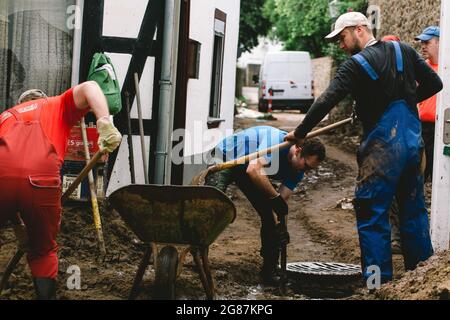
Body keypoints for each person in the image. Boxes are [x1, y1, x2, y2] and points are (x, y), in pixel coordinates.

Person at [285, 12, 442, 284]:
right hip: (413, 147)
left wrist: (300, 133)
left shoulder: (355, 65)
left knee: (372, 214)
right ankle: (420, 283)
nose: (341, 46)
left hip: (382, 152)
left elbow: (326, 101)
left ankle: (377, 284)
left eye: (342, 38)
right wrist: (406, 99)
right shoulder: (403, 49)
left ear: (359, 29)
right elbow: (435, 83)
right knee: (413, 211)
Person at [0, 81, 122, 299]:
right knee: (43, 251)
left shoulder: (6, 115)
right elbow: (91, 86)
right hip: (41, 179)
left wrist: (17, 223)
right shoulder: (56, 104)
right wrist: (104, 122)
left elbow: (11, 171)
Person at [207, 126, 325, 285]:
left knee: (270, 218)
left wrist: (280, 227)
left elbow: (279, 204)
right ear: (298, 150)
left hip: (246, 167)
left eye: (310, 168)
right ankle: (199, 255)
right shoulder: (276, 143)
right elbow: (254, 169)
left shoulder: (298, 172)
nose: (305, 171)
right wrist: (275, 199)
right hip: (226, 157)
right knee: (211, 206)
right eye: (306, 165)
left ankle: (269, 270)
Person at [415, 26, 440, 182]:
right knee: (419, 173)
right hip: (422, 128)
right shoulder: (422, 68)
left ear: (439, 43)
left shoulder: (447, 68)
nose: (423, 46)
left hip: (442, 128)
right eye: (421, 42)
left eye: (427, 42)